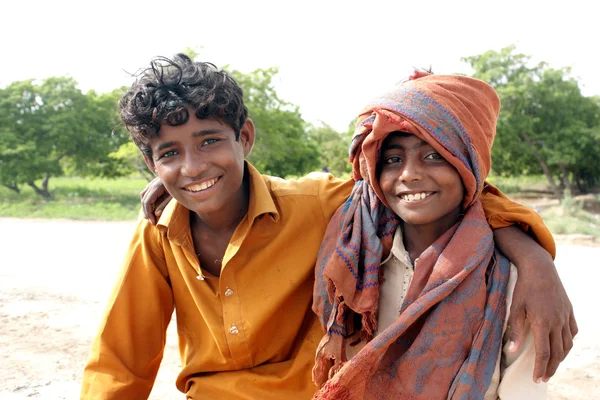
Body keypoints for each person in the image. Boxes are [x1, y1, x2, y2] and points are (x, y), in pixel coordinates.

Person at [81, 54, 575, 399]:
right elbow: (119, 361)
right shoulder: (158, 233)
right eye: (170, 154)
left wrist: (532, 259)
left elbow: (427, 191)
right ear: (151, 163)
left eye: (208, 142)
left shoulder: (318, 205)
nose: (192, 167)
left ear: (244, 137)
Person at [311, 71, 562, 399]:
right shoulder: (357, 263)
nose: (410, 174)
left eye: (434, 156)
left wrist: (534, 260)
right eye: (393, 159)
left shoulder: (512, 281)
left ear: (468, 165)